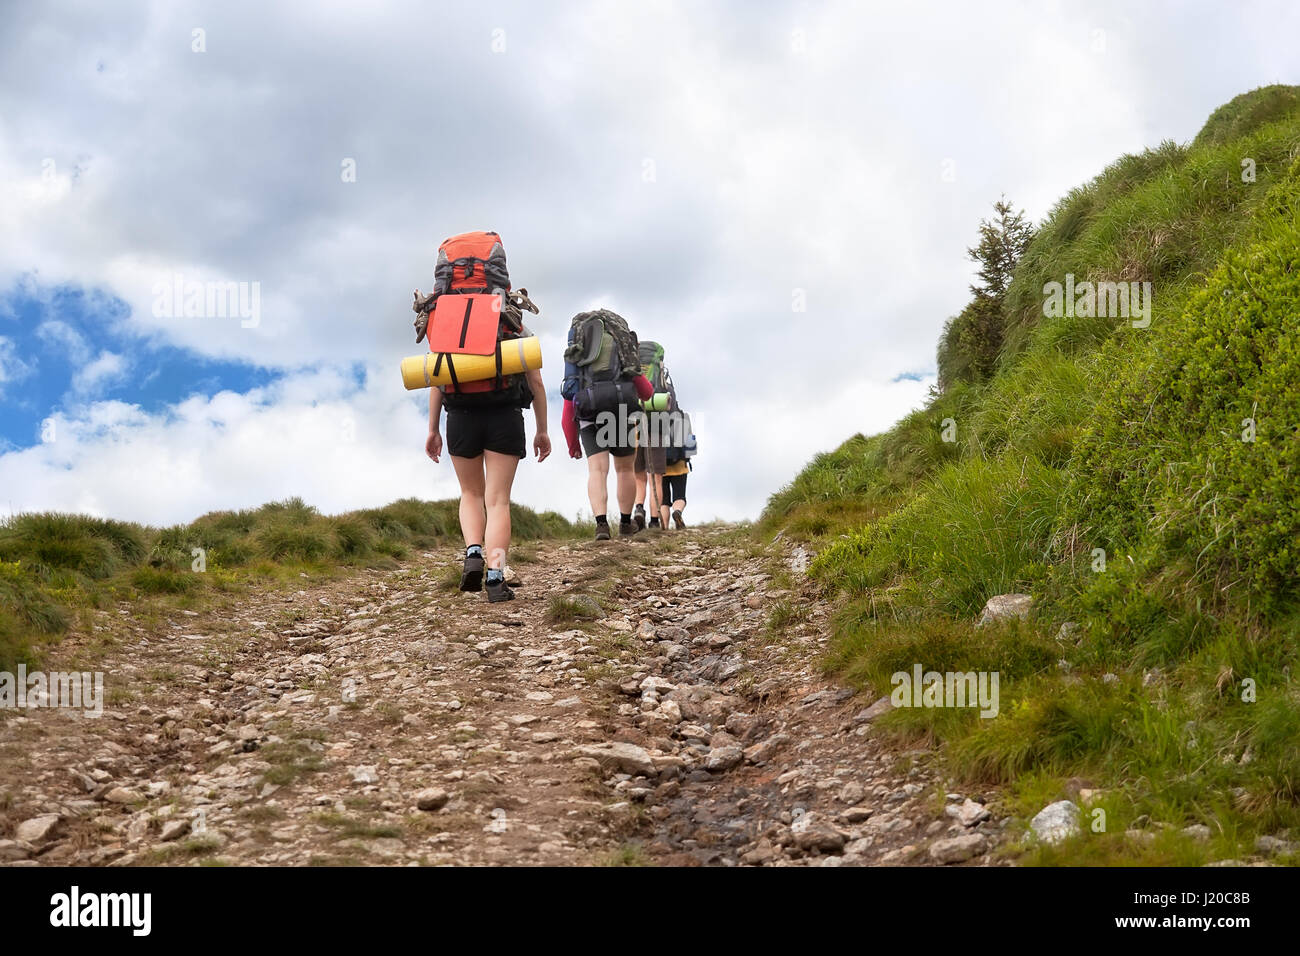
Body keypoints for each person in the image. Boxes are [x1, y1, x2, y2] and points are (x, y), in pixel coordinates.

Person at [418, 230, 550, 603]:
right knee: (498, 500)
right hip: (505, 412)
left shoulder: (441, 320)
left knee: (470, 493)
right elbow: (536, 380)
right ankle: (495, 576)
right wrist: (542, 430)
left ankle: (472, 553)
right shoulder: (511, 317)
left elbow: (437, 378)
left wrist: (432, 429)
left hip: (459, 414)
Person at [560, 309, 654, 540]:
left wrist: (573, 444)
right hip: (621, 413)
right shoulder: (623, 350)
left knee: (597, 471)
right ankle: (624, 523)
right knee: (624, 469)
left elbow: (568, 404)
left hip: (589, 414)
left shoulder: (578, 353)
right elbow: (647, 391)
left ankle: (601, 525)